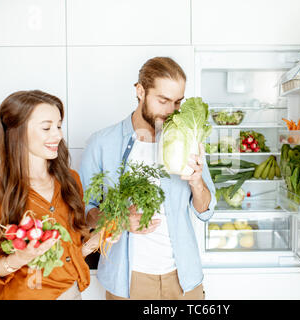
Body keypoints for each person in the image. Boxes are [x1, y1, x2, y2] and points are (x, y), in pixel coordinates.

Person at [79, 56, 217, 300]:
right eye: (163, 100)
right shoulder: (102, 143)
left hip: (183, 276)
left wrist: (197, 182)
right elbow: (85, 212)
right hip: (127, 279)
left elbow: (205, 210)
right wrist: (119, 219)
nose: (171, 111)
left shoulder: (187, 141)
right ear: (140, 91)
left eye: (177, 102)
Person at [0, 90, 113, 300]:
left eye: (58, 126)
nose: (58, 135)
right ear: (18, 132)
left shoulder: (71, 180)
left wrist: (99, 239)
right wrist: (19, 258)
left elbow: (71, 252)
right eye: (47, 127)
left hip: (72, 294)